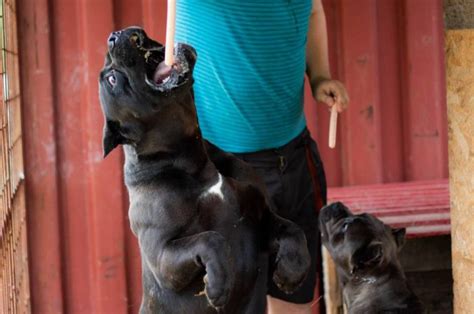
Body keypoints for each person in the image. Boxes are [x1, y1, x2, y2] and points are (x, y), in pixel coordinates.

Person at [175, 0, 349, 313]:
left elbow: (312, 11)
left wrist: (320, 74)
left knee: (294, 296)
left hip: (292, 161)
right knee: (236, 303)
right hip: (219, 172)